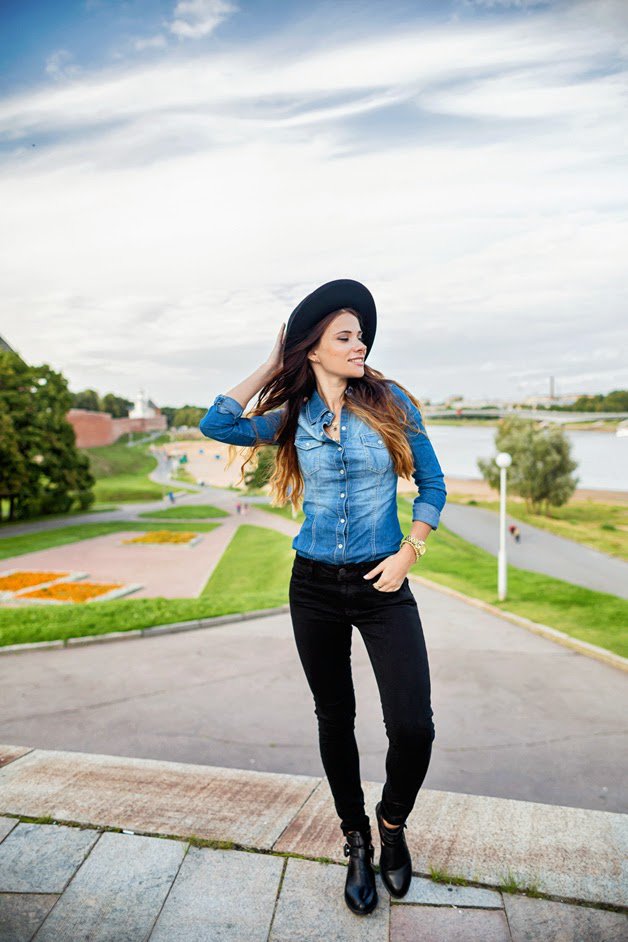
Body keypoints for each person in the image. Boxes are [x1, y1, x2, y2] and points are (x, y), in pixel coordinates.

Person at [198, 278, 447, 917]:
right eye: (344, 336)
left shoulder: (391, 404)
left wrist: (408, 551)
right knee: (335, 719)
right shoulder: (294, 416)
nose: (358, 343)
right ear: (314, 350)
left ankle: (392, 824)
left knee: (413, 727)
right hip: (312, 587)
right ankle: (357, 840)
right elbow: (217, 421)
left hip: (382, 584)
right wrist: (274, 360)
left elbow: (433, 486)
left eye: (360, 335)